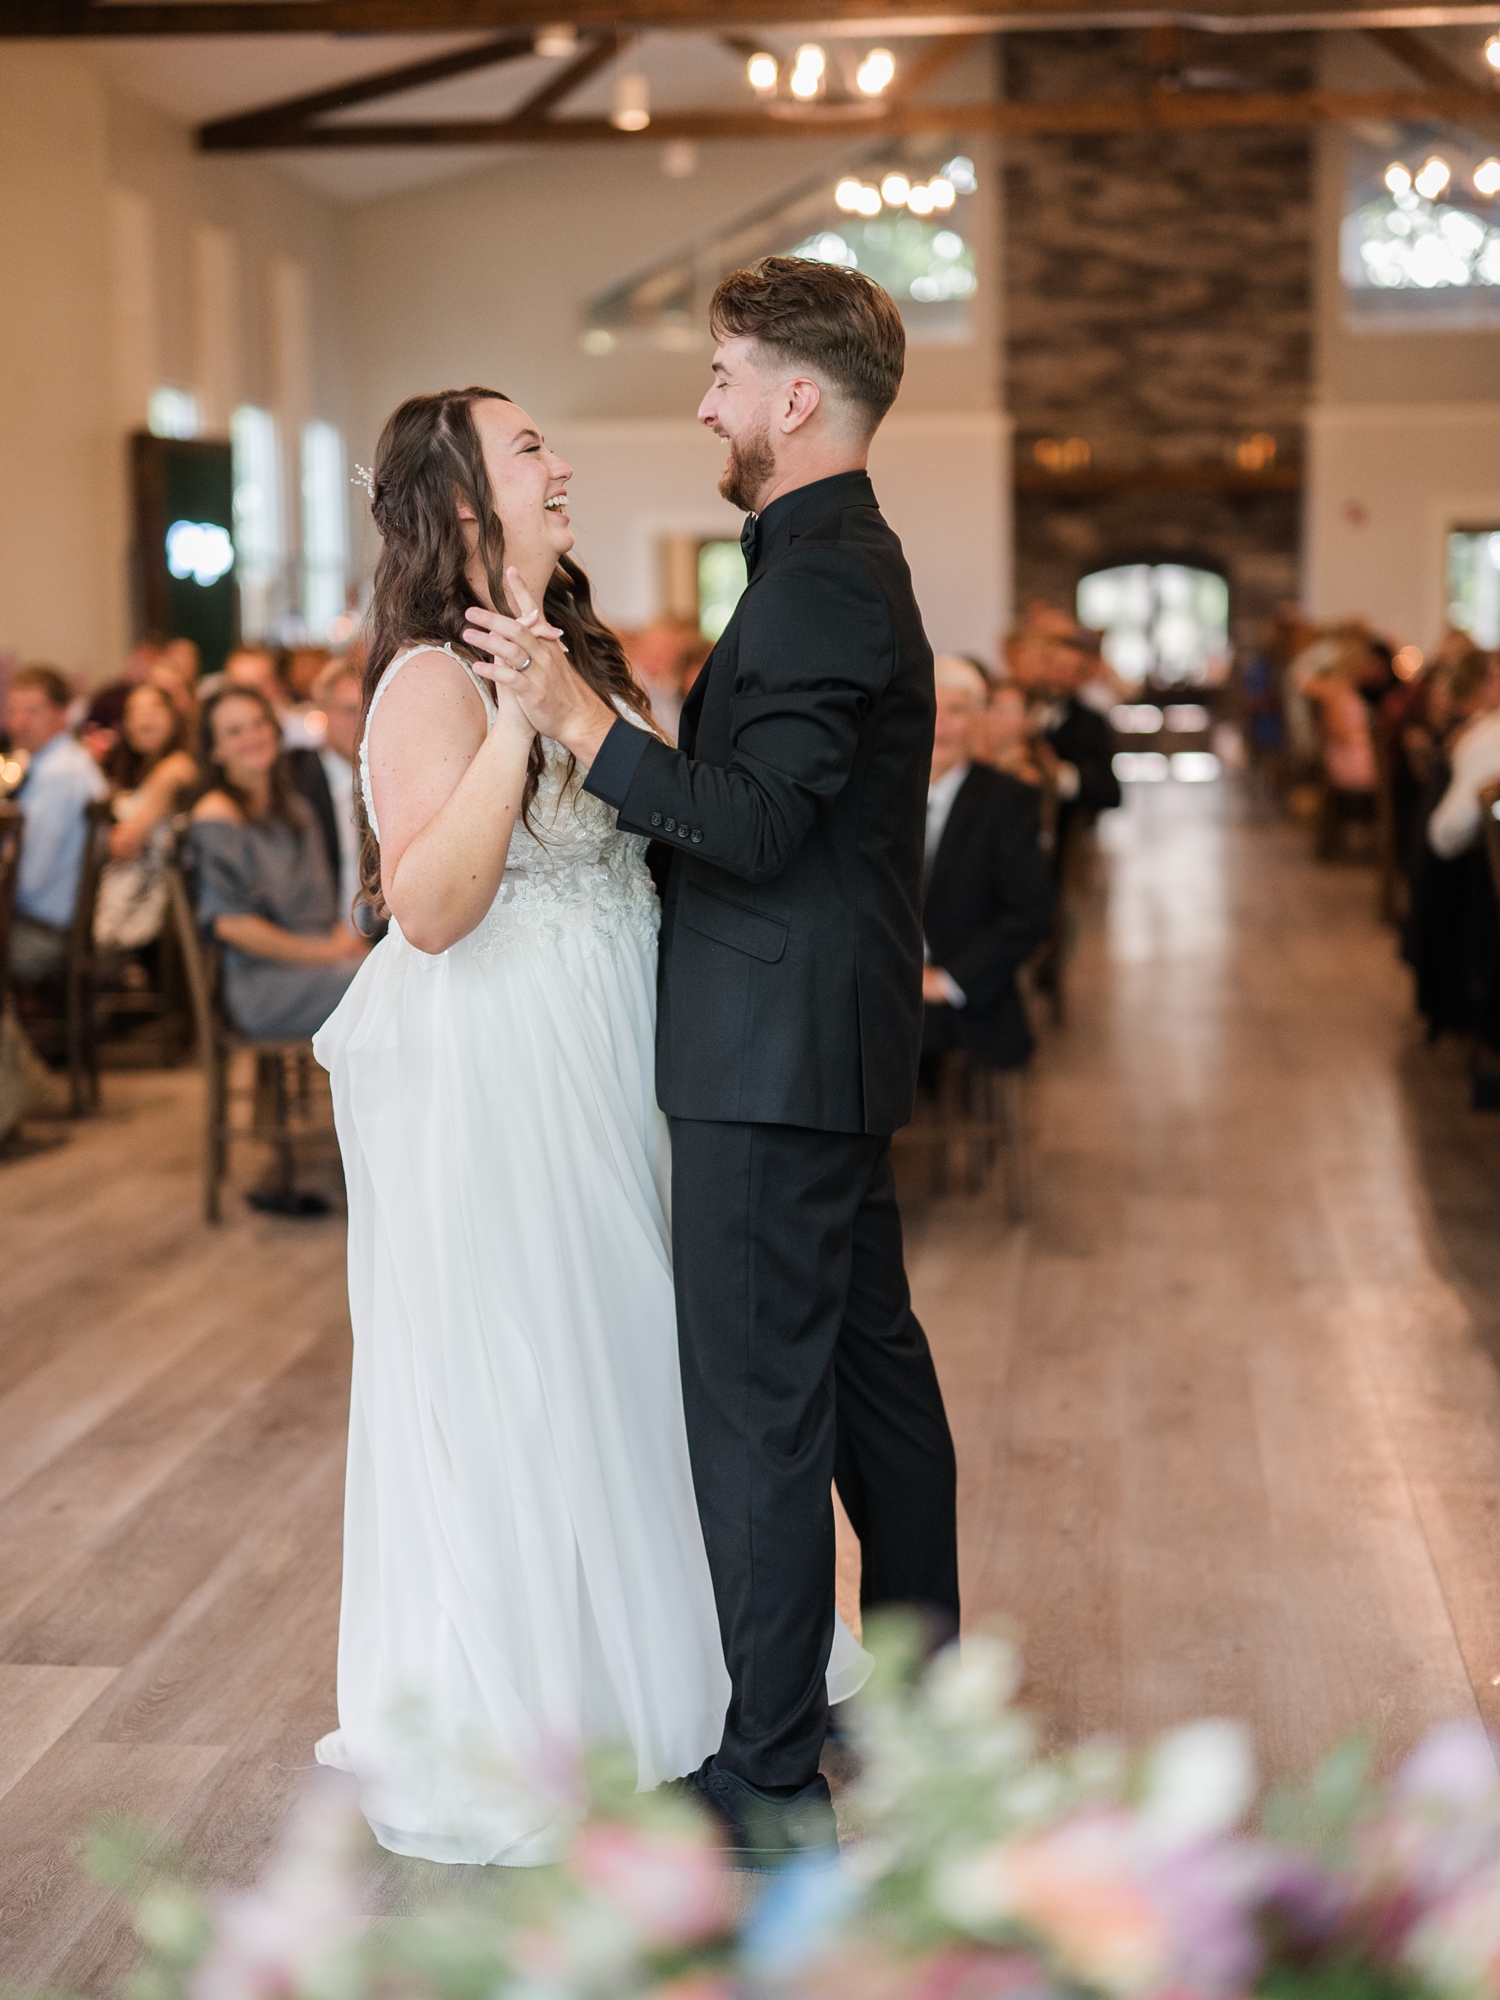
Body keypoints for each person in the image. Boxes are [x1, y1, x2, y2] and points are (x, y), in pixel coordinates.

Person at [311, 384, 870, 1870]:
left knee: (644, 1368)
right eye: (530, 448)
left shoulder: (579, 645)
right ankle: (552, 1716)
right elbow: (428, 910)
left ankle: (687, 1691)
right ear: (465, 501)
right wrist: (519, 721)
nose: (563, 464)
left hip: (623, 1044)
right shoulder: (429, 680)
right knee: (543, 1369)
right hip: (511, 1076)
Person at [464, 257, 959, 1863]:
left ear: (796, 400)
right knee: (870, 1365)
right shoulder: (832, 563)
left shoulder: (821, 579)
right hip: (823, 1033)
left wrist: (579, 725)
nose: (706, 404)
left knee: (758, 1408)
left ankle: (764, 1768)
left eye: (727, 374)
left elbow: (751, 824)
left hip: (771, 1049)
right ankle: (929, 1695)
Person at [188, 686, 367, 1039]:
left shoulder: (293, 809)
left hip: (316, 963)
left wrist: (339, 943)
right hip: (263, 981)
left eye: (259, 723)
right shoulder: (217, 816)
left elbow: (322, 901)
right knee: (389, 988)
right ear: (215, 750)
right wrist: (326, 953)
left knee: (397, 972)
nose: (252, 737)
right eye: (235, 731)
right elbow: (232, 926)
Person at [921, 656, 1053, 1076]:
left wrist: (946, 981)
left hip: (967, 989)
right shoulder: (874, 798)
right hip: (875, 987)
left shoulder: (1008, 802)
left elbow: (1028, 914)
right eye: (930, 707)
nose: (941, 724)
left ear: (978, 720)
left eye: (957, 710)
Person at [6, 664, 108, 980]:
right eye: (13, 711)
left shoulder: (58, 777)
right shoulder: (60, 763)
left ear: (61, 714)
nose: (19, 723)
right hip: (47, 924)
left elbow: (26, 883)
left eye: (32, 712)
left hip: (44, 934)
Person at [94, 681, 197, 952]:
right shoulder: (133, 773)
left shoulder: (176, 768)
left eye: (155, 708)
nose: (144, 717)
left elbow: (125, 843)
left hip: (152, 909)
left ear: (175, 718)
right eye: (135, 711)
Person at [288, 657, 362, 923]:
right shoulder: (292, 781)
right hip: (318, 937)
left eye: (370, 710)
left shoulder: (395, 780)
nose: (362, 722)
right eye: (350, 710)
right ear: (323, 710)